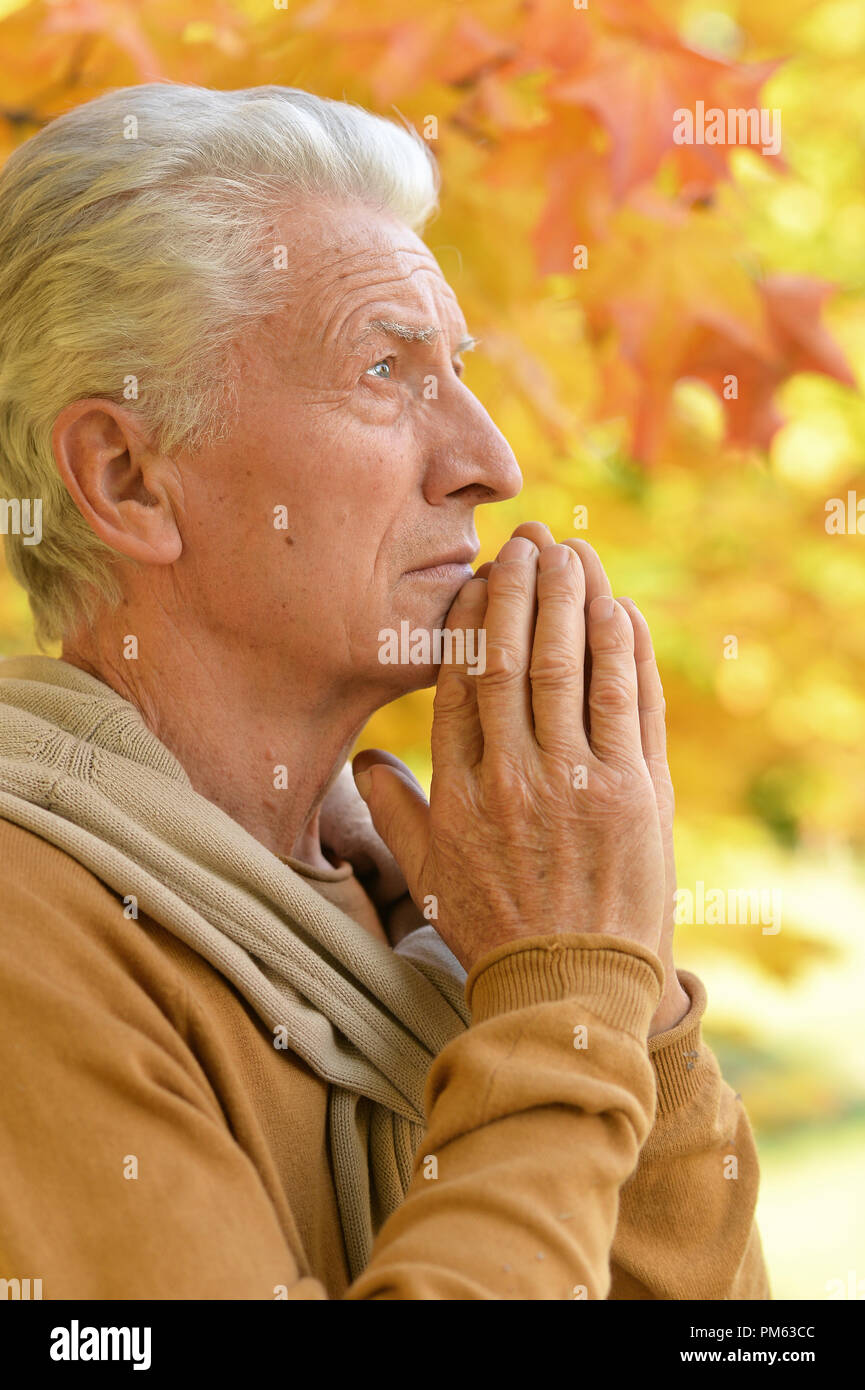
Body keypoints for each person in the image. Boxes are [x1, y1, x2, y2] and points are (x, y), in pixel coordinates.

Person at [0, 82, 769, 1299]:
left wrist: (623, 988)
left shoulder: (431, 910)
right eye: (381, 370)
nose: (488, 462)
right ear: (128, 476)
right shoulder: (27, 940)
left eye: (456, 369)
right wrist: (561, 1001)